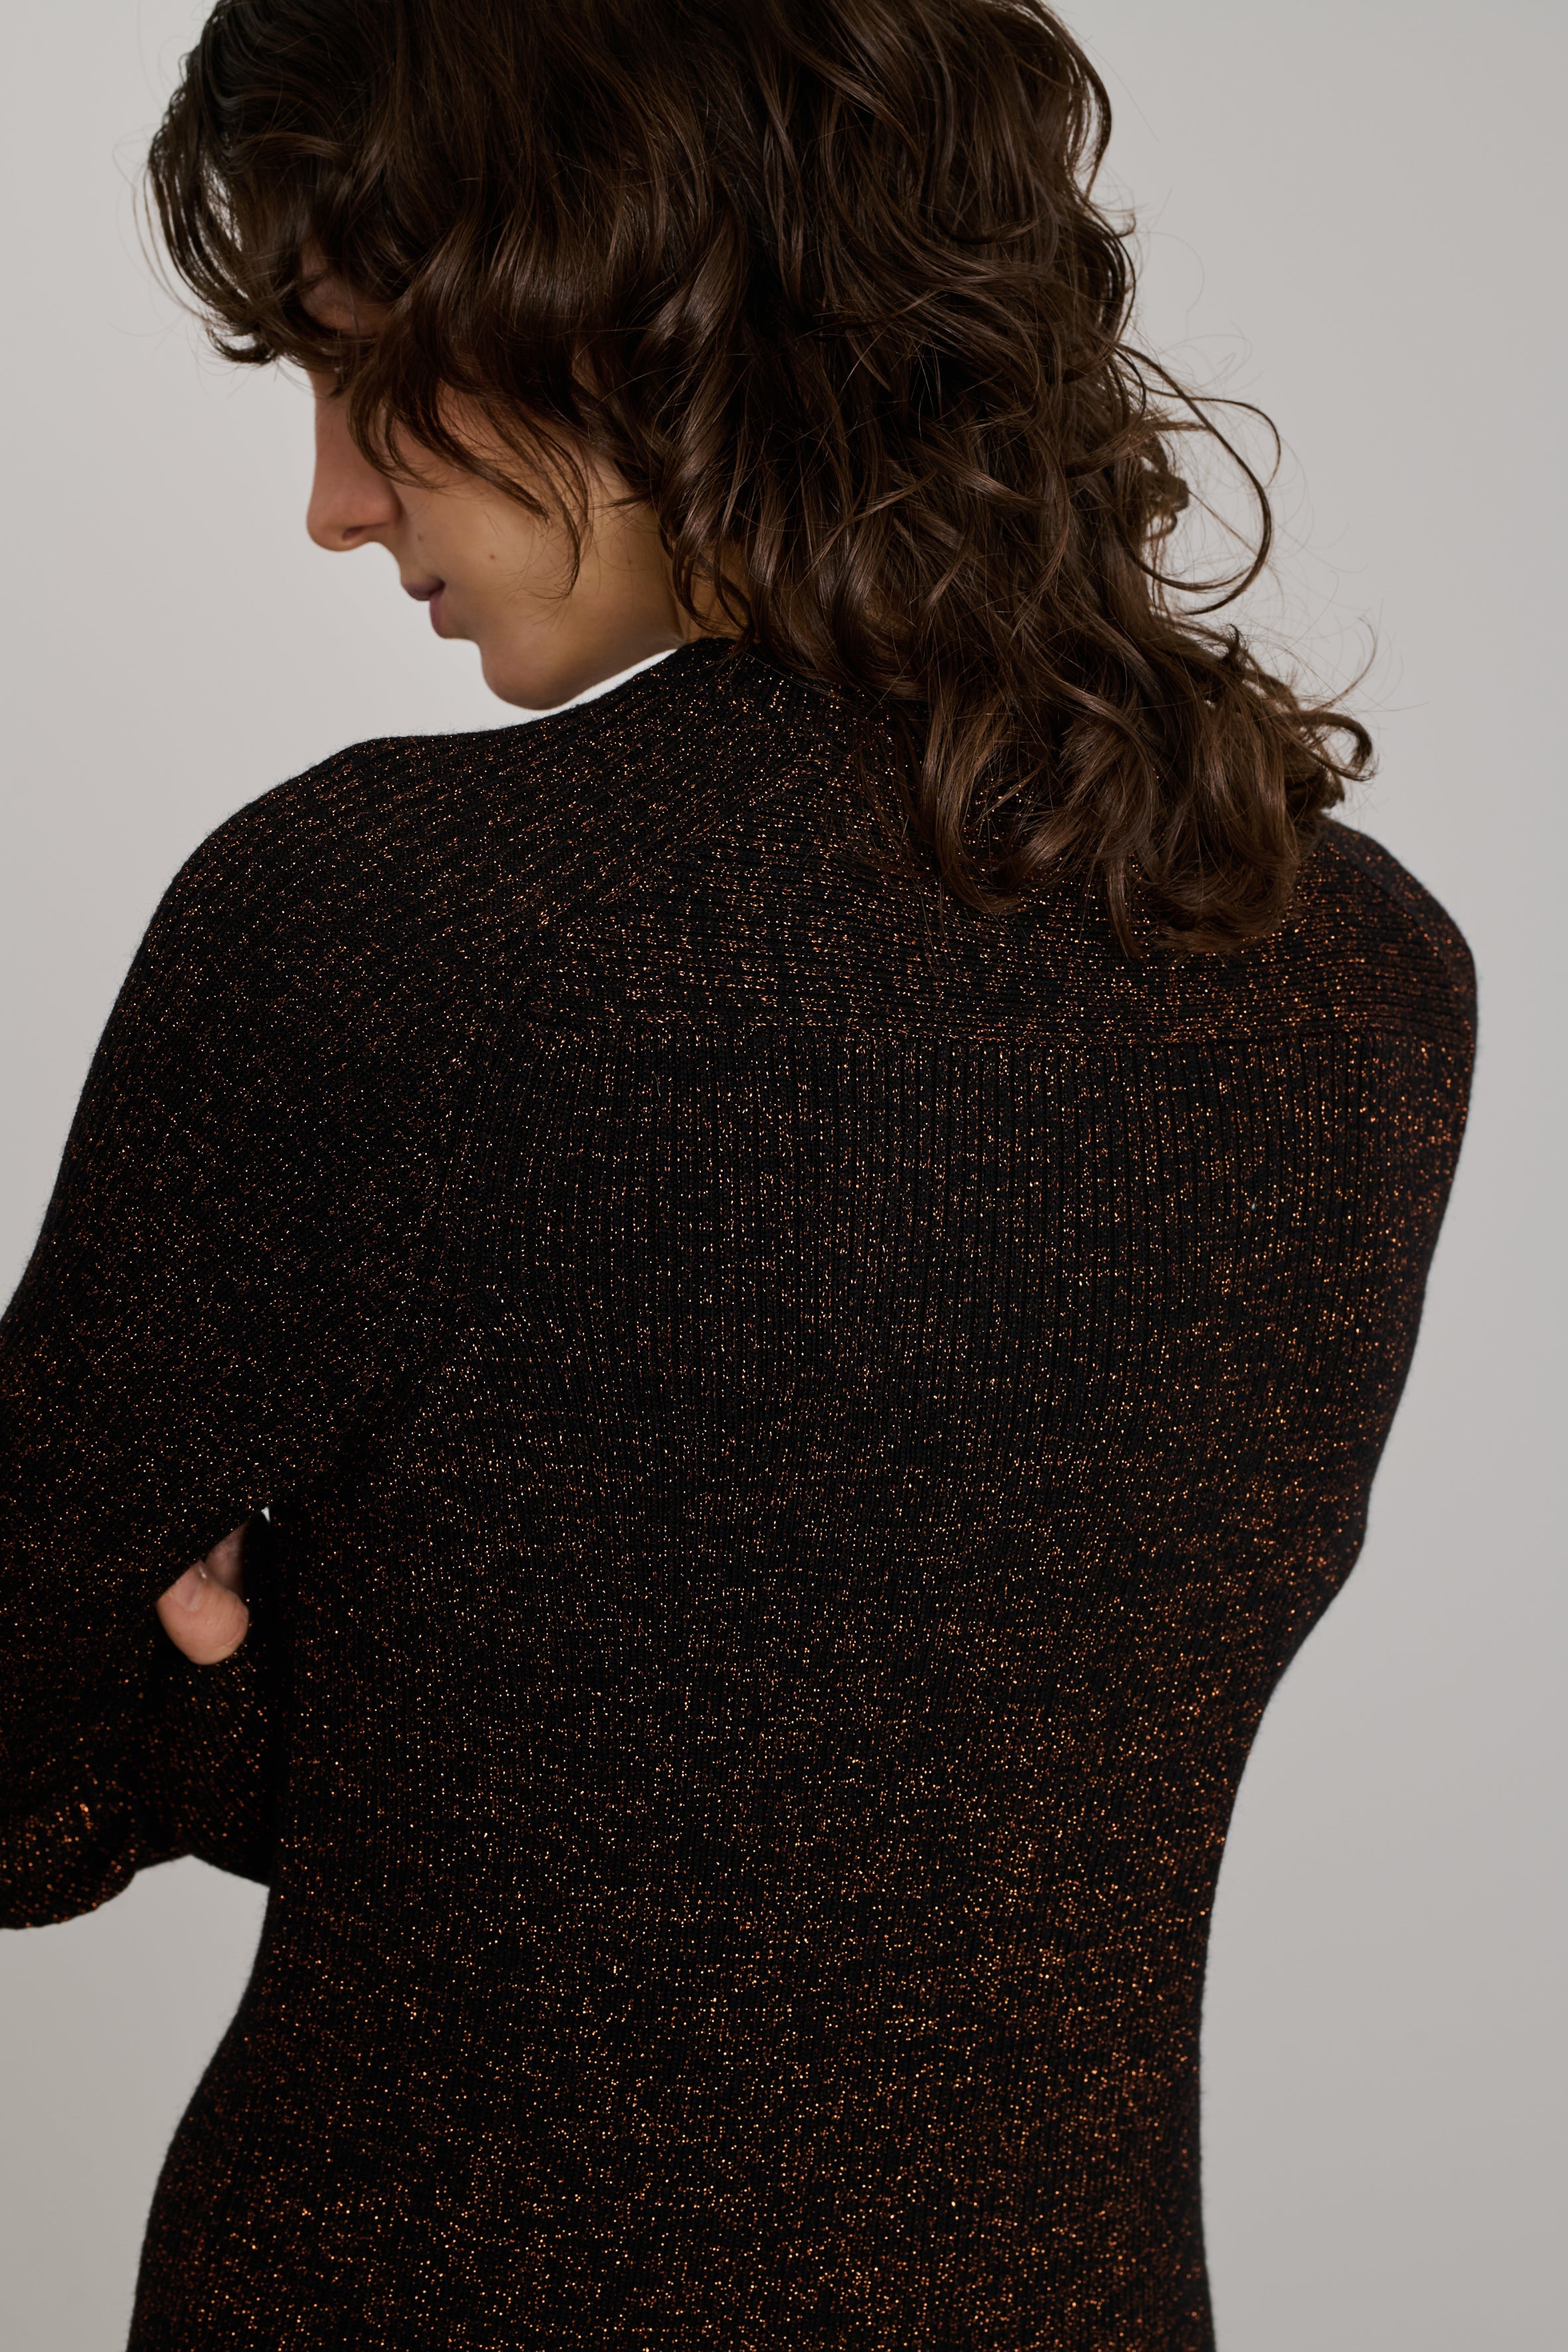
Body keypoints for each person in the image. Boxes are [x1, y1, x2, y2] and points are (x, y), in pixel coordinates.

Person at [0, 1, 1474, 2343]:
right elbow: (904, 1771)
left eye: (373, 368)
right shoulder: (1351, 968)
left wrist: (241, 1670)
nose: (336, 497)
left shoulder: (403, 926)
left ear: (646, 303)